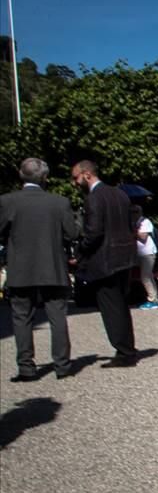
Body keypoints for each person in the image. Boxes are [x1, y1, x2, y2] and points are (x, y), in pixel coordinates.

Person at [1, 158, 80, 380]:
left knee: (21, 318)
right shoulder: (59, 202)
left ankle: (26, 367)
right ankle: (62, 365)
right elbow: (72, 233)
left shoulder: (8, 202)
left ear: (21, 174)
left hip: (21, 267)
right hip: (52, 267)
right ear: (44, 177)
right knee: (57, 317)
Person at [71, 159, 139, 367]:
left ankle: (124, 352)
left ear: (87, 174)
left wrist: (80, 252)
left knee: (111, 307)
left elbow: (94, 232)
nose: (75, 183)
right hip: (124, 256)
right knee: (121, 305)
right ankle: (127, 347)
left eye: (76, 178)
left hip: (105, 259)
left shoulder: (94, 198)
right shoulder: (120, 194)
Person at [131, 204, 158, 310]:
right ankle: (154, 298)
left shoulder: (145, 222)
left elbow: (143, 236)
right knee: (148, 276)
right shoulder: (134, 223)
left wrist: (133, 231)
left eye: (135, 212)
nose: (133, 214)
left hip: (148, 253)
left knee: (145, 277)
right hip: (139, 253)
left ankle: (152, 300)